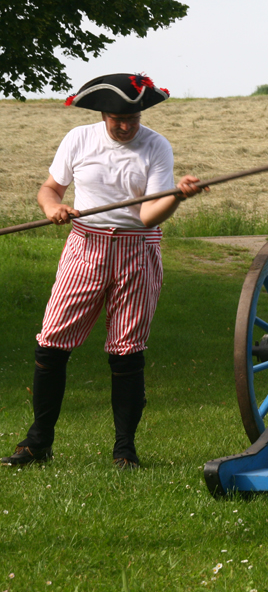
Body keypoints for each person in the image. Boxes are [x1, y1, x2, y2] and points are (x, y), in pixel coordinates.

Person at [1, 73, 205, 470]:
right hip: (85, 246)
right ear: (102, 114)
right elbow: (50, 189)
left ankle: (124, 450)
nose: (127, 125)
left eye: (134, 117)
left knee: (126, 351)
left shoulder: (156, 146)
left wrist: (177, 197)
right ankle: (38, 441)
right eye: (118, 118)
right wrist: (52, 209)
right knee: (52, 343)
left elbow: (148, 216)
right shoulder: (79, 139)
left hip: (135, 249)